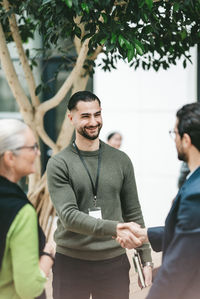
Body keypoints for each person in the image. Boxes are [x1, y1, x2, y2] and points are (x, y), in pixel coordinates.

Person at [47, 90, 152, 299]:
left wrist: (145, 258)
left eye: (97, 114)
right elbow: (69, 217)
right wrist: (115, 228)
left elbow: (133, 211)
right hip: (71, 263)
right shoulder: (59, 163)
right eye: (85, 116)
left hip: (113, 263)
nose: (93, 122)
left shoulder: (121, 160)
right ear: (71, 118)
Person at [117, 102, 200, 299]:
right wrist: (144, 234)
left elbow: (179, 265)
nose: (174, 140)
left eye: (175, 133)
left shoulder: (195, 193)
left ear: (186, 140)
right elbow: (189, 235)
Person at [0, 119, 55, 299]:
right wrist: (48, 255)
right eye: (32, 148)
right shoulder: (20, 211)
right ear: (9, 157)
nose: (38, 153)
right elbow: (28, 288)